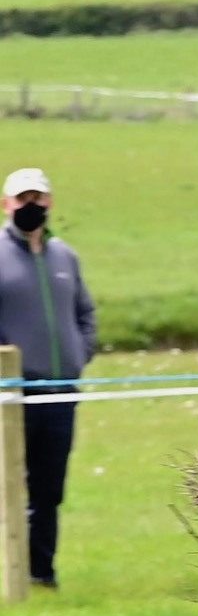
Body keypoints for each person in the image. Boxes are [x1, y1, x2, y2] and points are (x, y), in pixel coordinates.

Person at [0, 167, 97, 589]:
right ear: (7, 205)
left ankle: (42, 572)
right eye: (23, 199)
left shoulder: (65, 257)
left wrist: (79, 353)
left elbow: (85, 314)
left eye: (38, 198)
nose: (31, 206)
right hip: (11, 394)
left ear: (49, 202)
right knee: (10, 487)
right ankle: (12, 571)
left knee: (49, 489)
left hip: (61, 394)